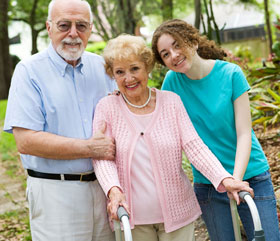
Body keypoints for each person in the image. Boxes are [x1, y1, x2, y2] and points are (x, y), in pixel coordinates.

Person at [91, 34, 254, 241]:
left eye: (134, 69)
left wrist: (225, 178)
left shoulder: (171, 102)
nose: (128, 78)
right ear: (112, 75)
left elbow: (195, 147)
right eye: (120, 72)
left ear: (147, 67)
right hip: (130, 218)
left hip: (178, 217)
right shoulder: (107, 107)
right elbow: (103, 158)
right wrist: (114, 191)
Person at [151, 19, 280, 241]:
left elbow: (243, 133)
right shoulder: (172, 82)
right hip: (209, 183)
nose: (173, 55)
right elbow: (156, 121)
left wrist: (235, 180)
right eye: (165, 54)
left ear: (192, 40)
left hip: (251, 176)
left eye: (176, 45)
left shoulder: (231, 74)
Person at [4, 0, 117, 240]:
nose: (73, 33)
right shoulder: (28, 71)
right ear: (49, 27)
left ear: (91, 28)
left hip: (104, 190)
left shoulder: (103, 68)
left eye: (82, 26)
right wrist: (90, 148)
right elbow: (26, 141)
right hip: (55, 193)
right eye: (64, 25)